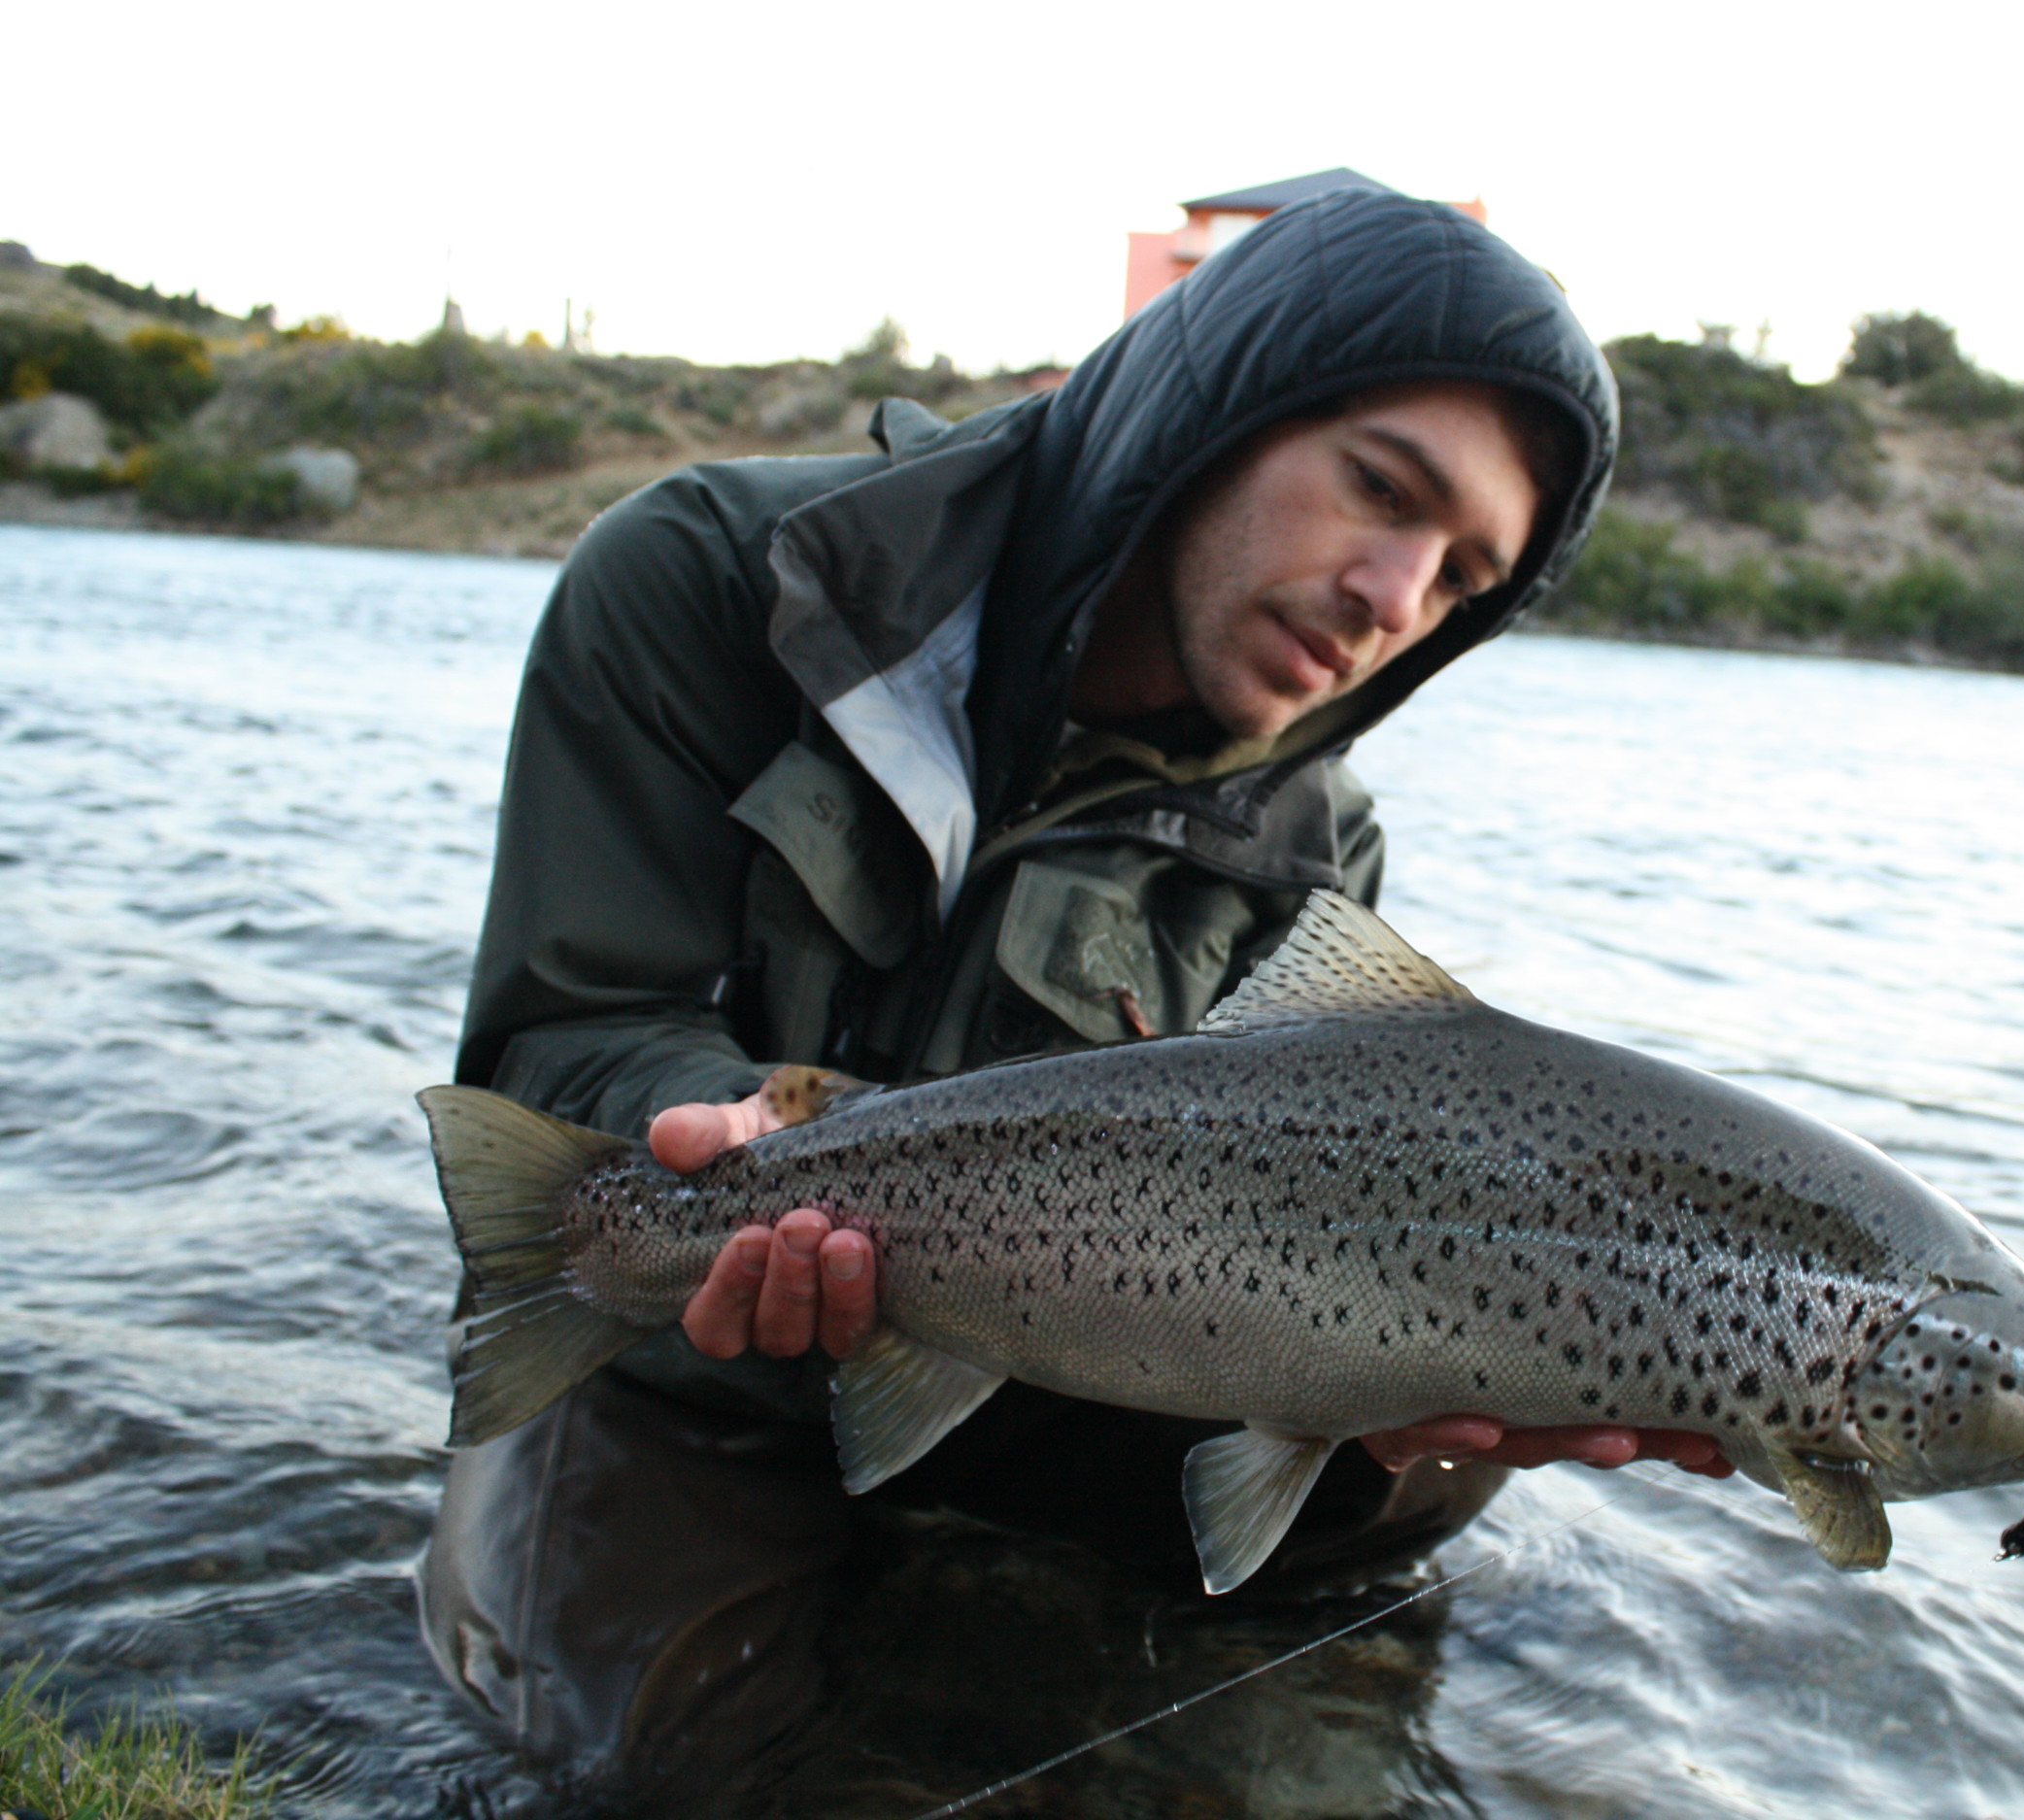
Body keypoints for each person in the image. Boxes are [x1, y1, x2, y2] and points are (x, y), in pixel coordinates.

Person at [419, 187, 1730, 1781]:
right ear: (1212, 413)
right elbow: (567, 1030)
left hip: (1069, 1361)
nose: (1392, 596)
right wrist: (688, 1131)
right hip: (691, 1358)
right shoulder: (720, 578)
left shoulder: (1318, 845)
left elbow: (1286, 1233)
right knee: (668, 1771)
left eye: (1462, 581)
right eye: (1379, 489)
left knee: (1430, 1470)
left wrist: (1364, 1409)